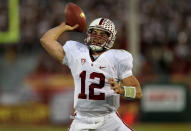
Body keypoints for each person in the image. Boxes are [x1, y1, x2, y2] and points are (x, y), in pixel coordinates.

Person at [40, 18, 142, 131]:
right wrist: (63, 27)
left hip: (108, 119)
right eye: (94, 33)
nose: (97, 37)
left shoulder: (118, 58)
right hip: (82, 119)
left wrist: (121, 90)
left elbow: (138, 92)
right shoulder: (76, 51)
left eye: (102, 34)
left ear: (110, 37)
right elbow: (46, 40)